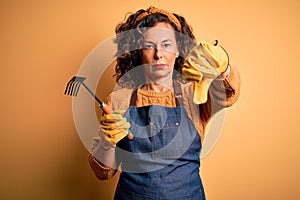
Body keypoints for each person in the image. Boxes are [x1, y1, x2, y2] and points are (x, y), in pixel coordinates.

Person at [88, 6, 241, 200]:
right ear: (138, 52)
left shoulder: (193, 93)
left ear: (178, 51)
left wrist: (223, 66)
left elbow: (228, 93)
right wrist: (107, 142)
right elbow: (103, 173)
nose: (159, 54)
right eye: (150, 45)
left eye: (167, 44)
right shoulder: (119, 99)